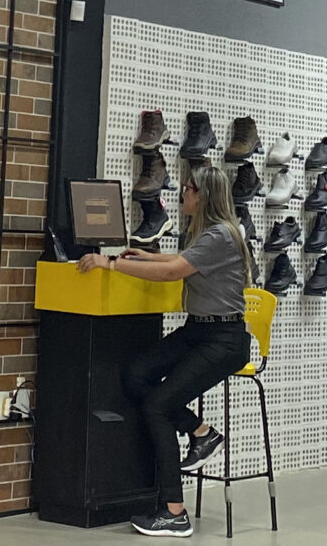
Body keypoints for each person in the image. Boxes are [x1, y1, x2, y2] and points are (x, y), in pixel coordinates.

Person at [78, 160, 252, 538]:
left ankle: (174, 512)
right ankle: (200, 431)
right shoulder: (207, 234)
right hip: (199, 331)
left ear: (202, 195)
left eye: (188, 189)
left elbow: (174, 272)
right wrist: (146, 257)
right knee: (136, 373)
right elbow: (177, 262)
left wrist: (111, 264)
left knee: (157, 405)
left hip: (223, 339)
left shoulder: (221, 235)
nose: (182, 194)